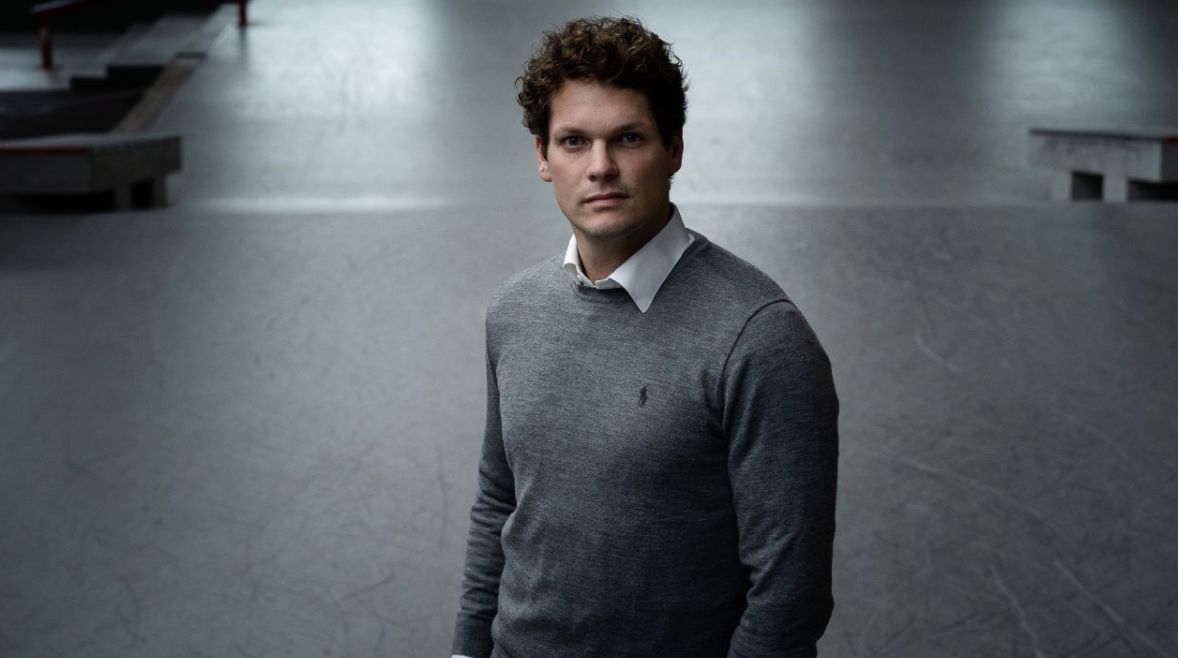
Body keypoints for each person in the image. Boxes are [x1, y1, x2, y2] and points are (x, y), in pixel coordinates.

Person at [451, 16, 839, 658]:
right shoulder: (515, 310)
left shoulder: (760, 338)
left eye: (627, 138)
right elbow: (499, 498)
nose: (600, 167)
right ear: (543, 157)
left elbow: (790, 595)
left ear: (674, 148)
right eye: (574, 142)